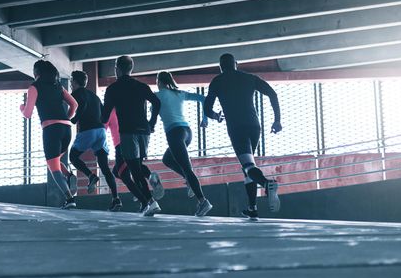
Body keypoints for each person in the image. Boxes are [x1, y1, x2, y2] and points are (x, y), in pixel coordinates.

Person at [204, 53, 282, 220]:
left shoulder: (217, 81)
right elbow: (272, 94)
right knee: (248, 167)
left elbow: (206, 109)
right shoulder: (249, 78)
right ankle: (252, 208)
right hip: (254, 127)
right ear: (236, 64)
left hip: (236, 127)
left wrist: (216, 116)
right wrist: (277, 121)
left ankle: (267, 184)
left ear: (220, 67)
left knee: (247, 165)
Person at [101, 55, 163, 217]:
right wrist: (152, 123)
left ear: (118, 69)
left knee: (134, 170)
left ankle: (151, 202)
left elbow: (105, 116)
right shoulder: (141, 86)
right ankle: (149, 181)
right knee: (137, 166)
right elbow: (157, 103)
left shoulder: (112, 89)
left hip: (127, 132)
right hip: (144, 132)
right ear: (131, 68)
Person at [21, 60, 79, 209]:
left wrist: (22, 107)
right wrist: (66, 118)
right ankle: (70, 176)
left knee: (53, 166)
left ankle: (69, 199)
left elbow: (27, 114)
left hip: (51, 129)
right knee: (56, 160)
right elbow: (74, 104)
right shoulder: (58, 86)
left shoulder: (34, 87)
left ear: (37, 73)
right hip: (66, 129)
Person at [155, 71, 213, 217]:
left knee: (187, 169)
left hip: (174, 133)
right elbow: (204, 99)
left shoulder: (157, 96)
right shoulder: (179, 93)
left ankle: (203, 201)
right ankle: (189, 181)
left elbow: (152, 113)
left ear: (159, 82)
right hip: (187, 132)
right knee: (167, 159)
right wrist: (205, 118)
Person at [68, 70, 122, 212]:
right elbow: (105, 113)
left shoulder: (76, 94)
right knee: (104, 167)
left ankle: (91, 175)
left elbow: (82, 105)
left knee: (72, 156)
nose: (70, 83)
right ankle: (116, 199)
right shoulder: (95, 96)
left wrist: (74, 119)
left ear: (74, 81)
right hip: (100, 132)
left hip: (88, 130)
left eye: (71, 80)